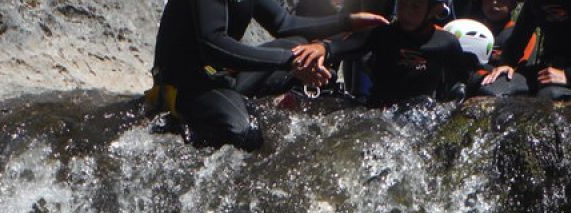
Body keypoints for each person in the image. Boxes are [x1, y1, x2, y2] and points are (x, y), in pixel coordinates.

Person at [145, 0, 389, 151]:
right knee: (244, 133)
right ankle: (183, 130)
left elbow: (284, 23)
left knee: (300, 46)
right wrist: (289, 62)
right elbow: (214, 46)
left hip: (220, 77)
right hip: (183, 83)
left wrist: (346, 22)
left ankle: (274, 108)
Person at [293, 0, 471, 107]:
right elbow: (342, 47)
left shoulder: (446, 43)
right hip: (380, 110)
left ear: (434, 10)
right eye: (402, 4)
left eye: (415, 7)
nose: (406, 13)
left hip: (422, 113)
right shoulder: (381, 34)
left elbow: (462, 78)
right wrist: (323, 48)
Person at [481, 0, 571, 99]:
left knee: (549, 97)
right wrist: (506, 63)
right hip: (547, 70)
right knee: (491, 89)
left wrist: (570, 75)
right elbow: (518, 38)